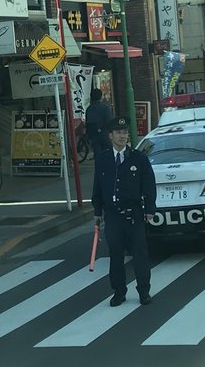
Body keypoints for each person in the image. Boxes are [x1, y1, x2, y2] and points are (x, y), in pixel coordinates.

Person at [91, 116, 157, 307]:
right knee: (116, 255)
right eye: (118, 133)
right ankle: (119, 292)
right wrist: (97, 210)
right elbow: (98, 187)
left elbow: (149, 185)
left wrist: (150, 209)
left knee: (140, 255)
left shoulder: (138, 158)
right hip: (112, 215)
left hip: (134, 213)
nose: (123, 136)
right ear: (110, 136)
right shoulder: (102, 160)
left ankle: (144, 290)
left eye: (125, 132)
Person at [85, 88, 113, 159]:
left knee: (97, 155)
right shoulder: (105, 108)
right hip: (104, 135)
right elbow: (109, 122)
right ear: (101, 96)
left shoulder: (89, 109)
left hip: (94, 136)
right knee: (108, 154)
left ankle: (99, 168)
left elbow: (87, 124)